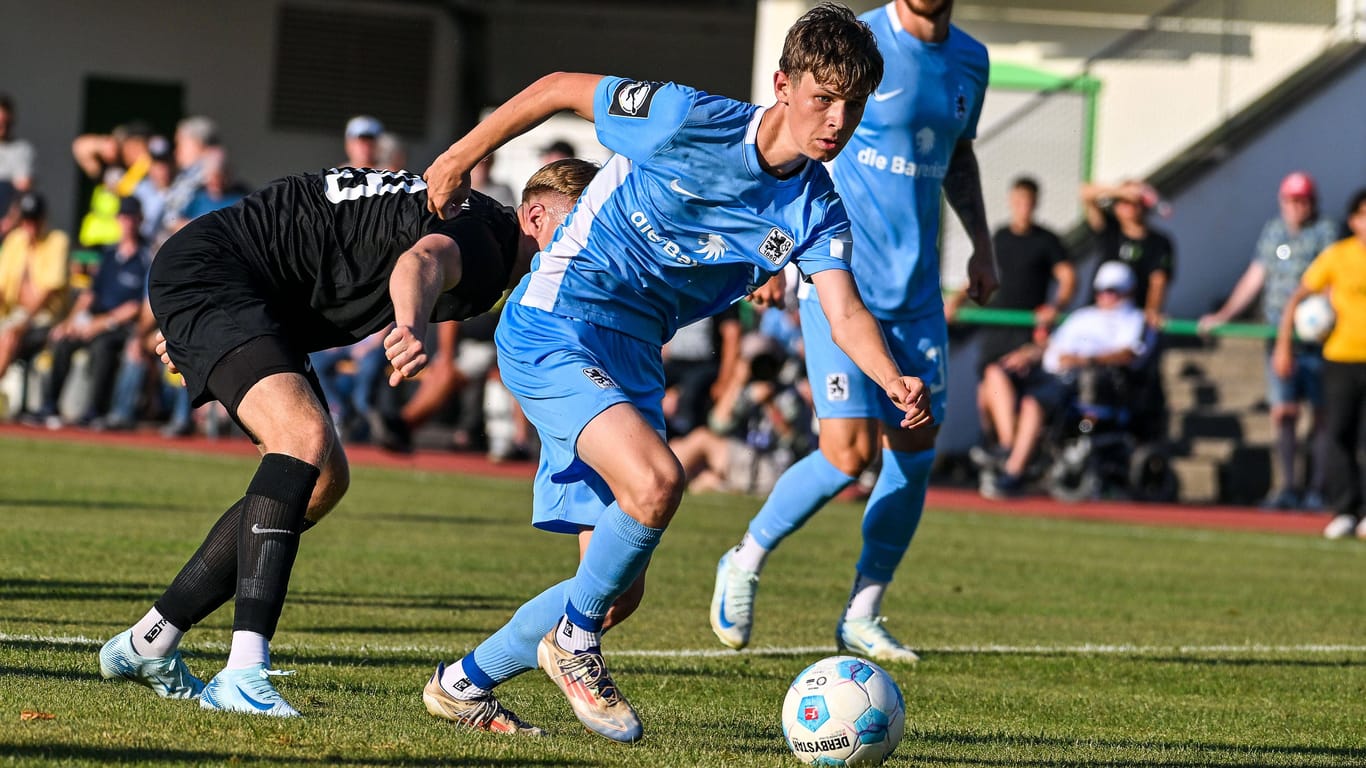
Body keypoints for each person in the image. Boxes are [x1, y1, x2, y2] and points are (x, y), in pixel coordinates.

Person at [418, 3, 929, 742]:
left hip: (631, 357)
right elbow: (560, 86)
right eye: (824, 99)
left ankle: (463, 684)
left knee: (614, 591)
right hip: (558, 321)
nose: (837, 121)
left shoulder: (817, 208)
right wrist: (459, 155)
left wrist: (891, 377)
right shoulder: (685, 116)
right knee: (657, 483)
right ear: (783, 85)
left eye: (852, 106)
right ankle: (571, 648)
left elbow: (845, 312)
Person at [95, 158, 598, 717]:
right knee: (301, 437)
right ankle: (243, 672)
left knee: (323, 480)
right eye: (584, 228)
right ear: (535, 215)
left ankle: (150, 641)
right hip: (222, 274)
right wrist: (410, 324)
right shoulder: (492, 242)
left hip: (244, 283)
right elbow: (421, 259)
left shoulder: (482, 220)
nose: (592, 246)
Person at [711, 0, 993, 664]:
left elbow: (959, 155)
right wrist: (768, 252)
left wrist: (982, 244)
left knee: (915, 449)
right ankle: (745, 558)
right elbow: (787, 139)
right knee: (848, 453)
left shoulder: (972, 60)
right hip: (839, 278)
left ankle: (864, 609)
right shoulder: (855, 43)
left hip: (918, 291)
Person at [1199, 172, 1339, 510]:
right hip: (1278, 338)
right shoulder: (1274, 231)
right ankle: (1288, 486)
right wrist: (1225, 315)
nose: (1296, 207)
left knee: (1321, 415)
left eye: (1303, 200)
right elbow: (1255, 275)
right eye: (1291, 200)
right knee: (1283, 411)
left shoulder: (1325, 232)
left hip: (1316, 339)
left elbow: (1333, 281)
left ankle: (1318, 489)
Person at [981, 261, 1153, 497]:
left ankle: (1014, 472)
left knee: (1034, 402)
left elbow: (1129, 353)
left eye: (1112, 291)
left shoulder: (1134, 318)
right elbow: (1052, 344)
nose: (1105, 296)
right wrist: (1026, 354)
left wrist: (1083, 359)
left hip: (1085, 381)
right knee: (995, 372)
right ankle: (1007, 443)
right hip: (1051, 372)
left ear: (1127, 291)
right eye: (1102, 290)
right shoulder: (1084, 315)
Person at [953, 176, 1074, 474]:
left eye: (1028, 203)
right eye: (1019, 202)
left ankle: (1009, 448)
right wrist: (956, 301)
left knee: (999, 378)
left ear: (1035, 204)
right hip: (996, 332)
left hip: (1024, 333)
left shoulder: (1047, 241)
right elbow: (980, 273)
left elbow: (1069, 277)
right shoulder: (1001, 237)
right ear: (1012, 201)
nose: (1023, 208)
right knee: (986, 396)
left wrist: (1055, 307)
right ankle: (1005, 449)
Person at [1275, 189, 1366, 540]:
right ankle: (1345, 509)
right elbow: (1297, 298)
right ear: (1353, 220)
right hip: (1341, 357)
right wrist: (1285, 345)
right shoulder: (1337, 256)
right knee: (1338, 433)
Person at [36, 196, 150, 427]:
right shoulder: (109, 255)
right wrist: (70, 322)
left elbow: (136, 306)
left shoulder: (145, 258)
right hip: (95, 319)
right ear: (118, 220)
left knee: (103, 347)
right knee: (63, 342)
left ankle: (94, 410)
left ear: (139, 221)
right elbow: (90, 295)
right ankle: (49, 407)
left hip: (119, 325)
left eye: (131, 218)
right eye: (123, 217)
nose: (127, 223)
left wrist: (102, 323)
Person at [0, 193, 70, 396]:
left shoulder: (58, 241)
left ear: (43, 219)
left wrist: (22, 322)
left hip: (44, 319)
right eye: (26, 219)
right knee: (9, 331)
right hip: (12, 314)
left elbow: (46, 294)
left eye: (34, 219)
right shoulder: (14, 241)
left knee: (9, 336)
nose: (30, 225)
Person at [0, 93, 35, 236]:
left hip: (7, 228)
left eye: (4, 123)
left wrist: (9, 221)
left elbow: (23, 190)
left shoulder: (21, 150)